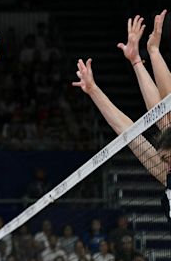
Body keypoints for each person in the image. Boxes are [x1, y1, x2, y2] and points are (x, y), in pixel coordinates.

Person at [73, 12, 171, 218]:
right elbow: (129, 132)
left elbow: (166, 113)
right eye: (164, 159)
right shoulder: (166, 175)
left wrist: (153, 52)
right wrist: (93, 91)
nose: (166, 164)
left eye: (168, 159)